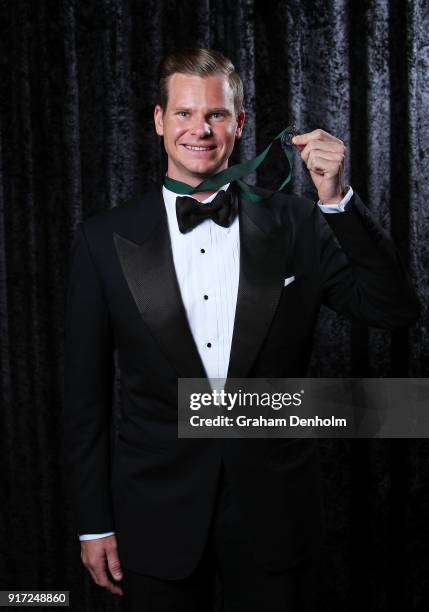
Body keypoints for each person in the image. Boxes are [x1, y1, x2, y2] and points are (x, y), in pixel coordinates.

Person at [63, 48, 419, 611]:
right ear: (158, 120)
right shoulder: (102, 239)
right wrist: (92, 524)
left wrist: (336, 199)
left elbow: (395, 310)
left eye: (216, 115)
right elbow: (84, 401)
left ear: (240, 123)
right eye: (183, 114)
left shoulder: (300, 222)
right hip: (154, 515)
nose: (199, 130)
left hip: (276, 514)